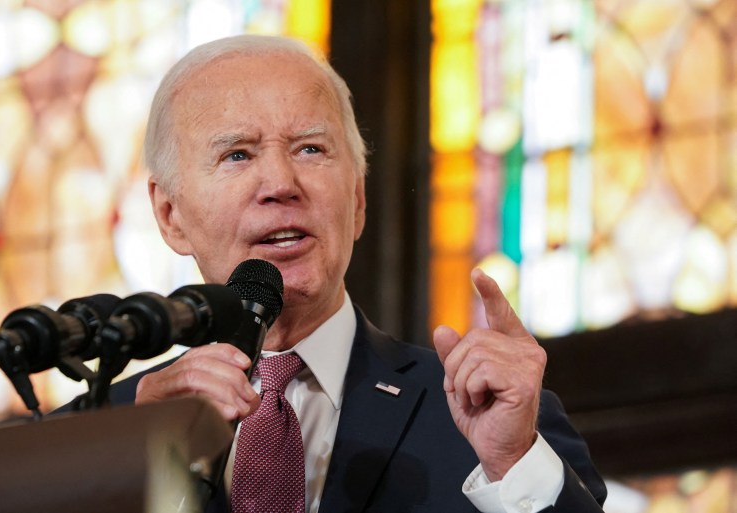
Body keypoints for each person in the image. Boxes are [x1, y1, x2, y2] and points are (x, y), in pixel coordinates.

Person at [105, 34, 607, 512]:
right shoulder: (104, 429)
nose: (281, 183)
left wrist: (512, 464)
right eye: (237, 154)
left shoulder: (490, 416)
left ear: (358, 200)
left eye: (310, 149)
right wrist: (122, 462)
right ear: (170, 216)